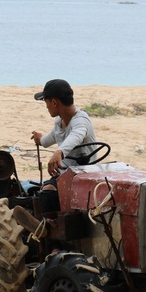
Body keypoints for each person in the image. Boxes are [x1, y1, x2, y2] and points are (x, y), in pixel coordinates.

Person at [31, 79, 96, 213]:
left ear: (54, 102)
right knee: (46, 190)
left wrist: (59, 152)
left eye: (46, 102)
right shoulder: (59, 122)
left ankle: (48, 226)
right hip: (65, 175)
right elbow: (47, 140)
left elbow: (76, 135)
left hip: (85, 173)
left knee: (48, 191)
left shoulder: (81, 120)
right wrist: (39, 139)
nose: (46, 106)